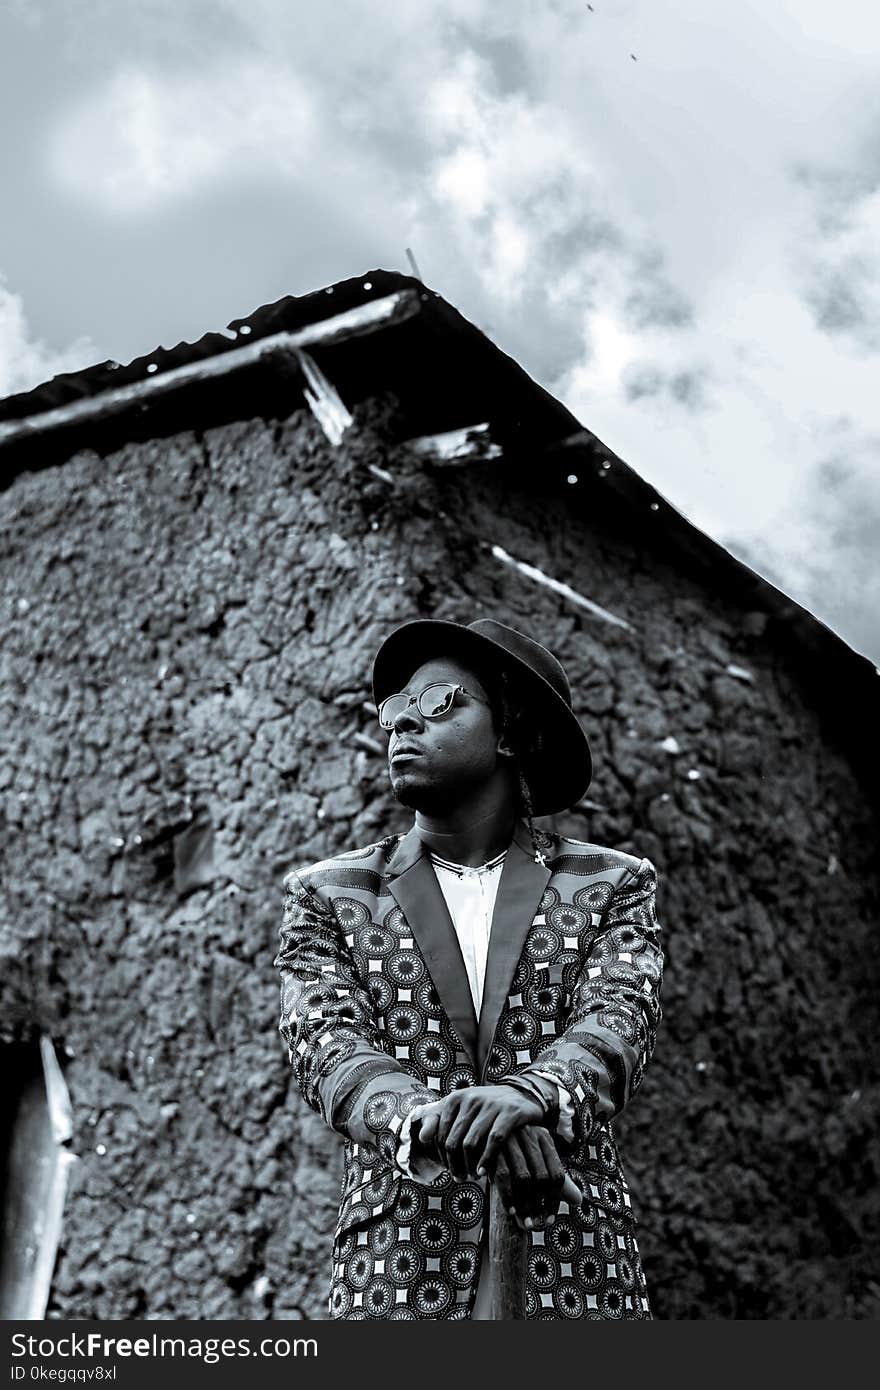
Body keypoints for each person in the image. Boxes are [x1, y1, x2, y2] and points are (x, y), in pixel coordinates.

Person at [274, 617, 663, 1319]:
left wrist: (535, 1093)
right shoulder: (329, 895)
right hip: (398, 1273)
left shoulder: (610, 884)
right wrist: (440, 1123)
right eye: (393, 712)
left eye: (438, 702)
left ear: (511, 731)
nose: (400, 726)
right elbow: (325, 1045)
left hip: (573, 1263)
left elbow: (620, 1016)